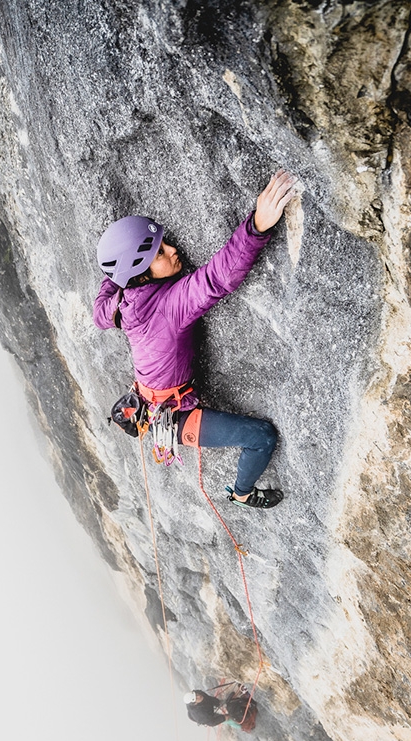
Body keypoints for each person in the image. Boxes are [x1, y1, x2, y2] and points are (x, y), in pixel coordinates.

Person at [93, 170, 296, 509]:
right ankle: (242, 493)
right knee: (261, 437)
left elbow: (101, 306)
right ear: (141, 273)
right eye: (158, 254)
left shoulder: (116, 307)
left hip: (148, 401)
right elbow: (218, 278)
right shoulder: (170, 306)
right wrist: (258, 226)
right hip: (173, 418)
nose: (172, 250)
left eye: (164, 244)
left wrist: (119, 271)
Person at [184, 685, 257, 732]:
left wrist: (219, 703)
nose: (198, 696)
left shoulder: (197, 693)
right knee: (229, 719)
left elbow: (208, 699)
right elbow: (212, 722)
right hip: (209, 718)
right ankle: (241, 726)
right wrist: (224, 717)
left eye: (196, 694)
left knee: (228, 705)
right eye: (196, 698)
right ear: (195, 703)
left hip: (206, 708)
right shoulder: (203, 716)